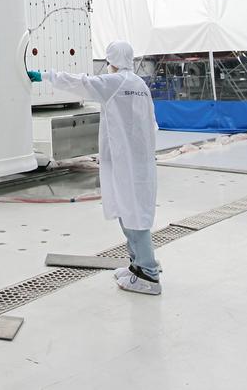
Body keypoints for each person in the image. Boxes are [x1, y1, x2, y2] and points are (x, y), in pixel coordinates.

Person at [28, 42, 161, 295]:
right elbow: (151, 123)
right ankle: (137, 266)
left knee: (133, 216)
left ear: (111, 59)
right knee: (131, 211)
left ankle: (149, 274)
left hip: (126, 162)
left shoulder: (115, 82)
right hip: (139, 161)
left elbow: (81, 83)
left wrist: (45, 76)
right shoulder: (139, 85)